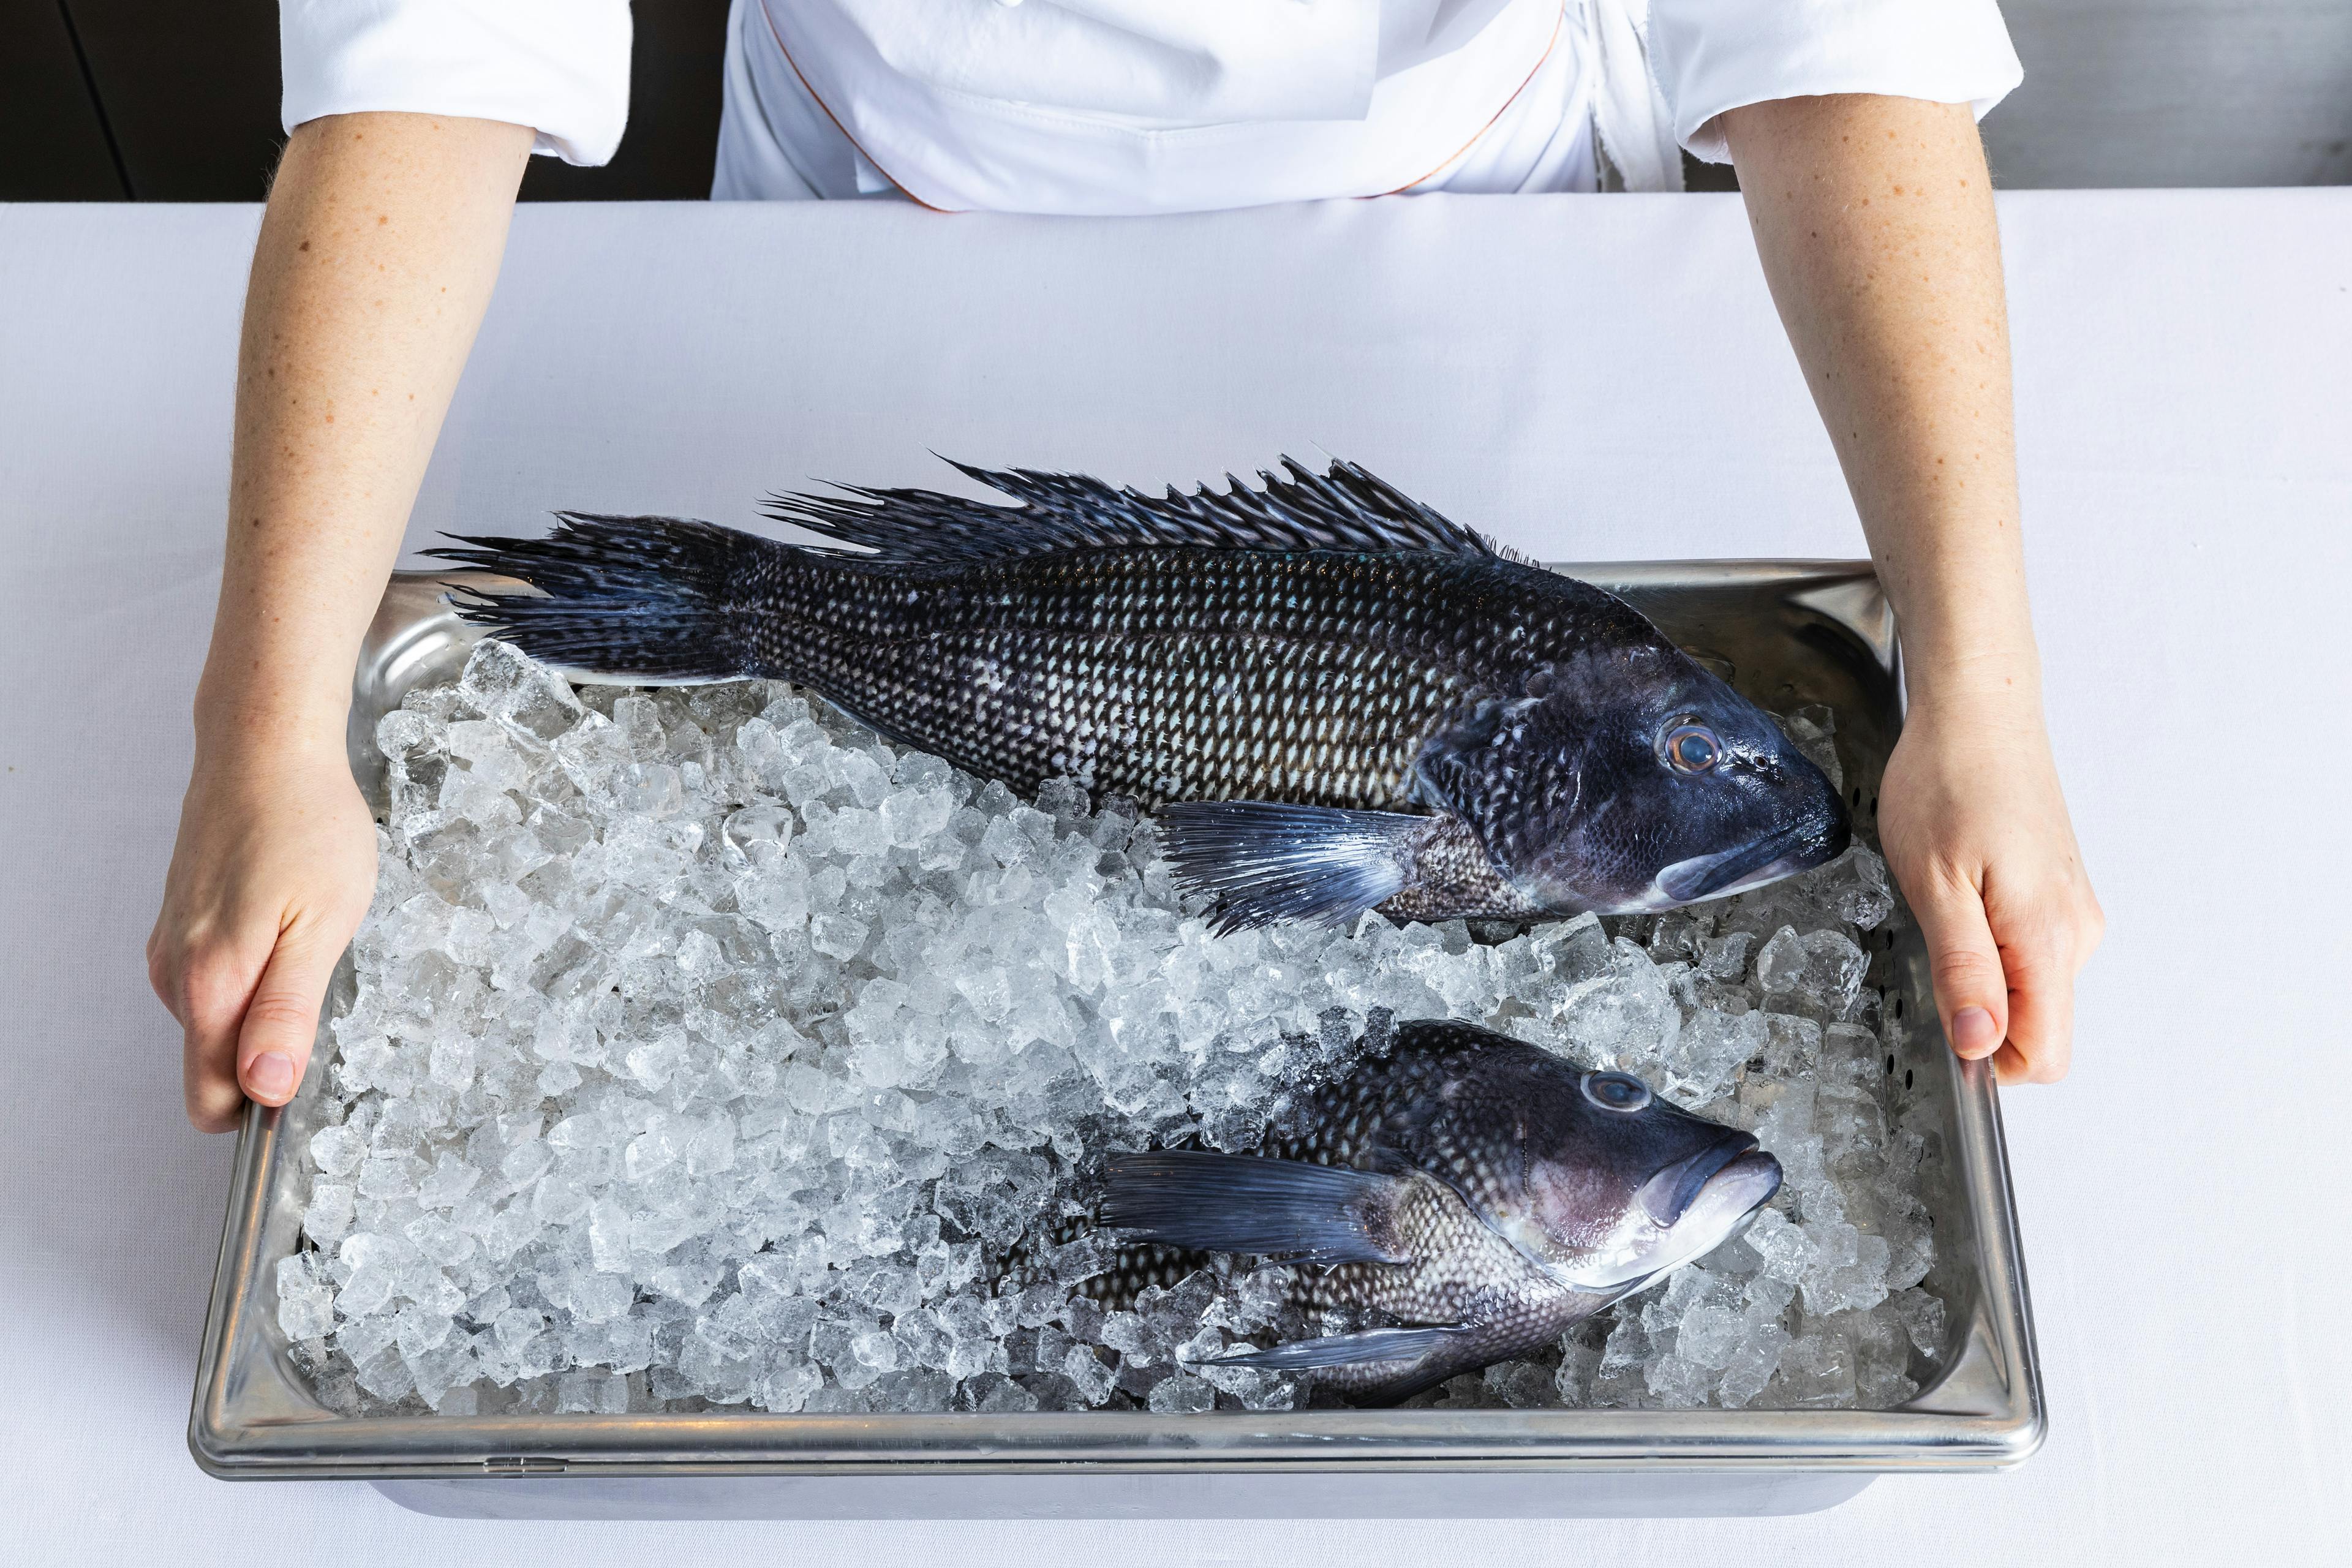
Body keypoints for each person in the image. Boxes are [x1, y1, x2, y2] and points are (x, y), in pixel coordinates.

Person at [152, 0, 2103, 1131]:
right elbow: (434, 52)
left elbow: (1844, 36)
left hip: (1497, 241)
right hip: (864, 236)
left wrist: (1984, 692)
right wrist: (268, 724)